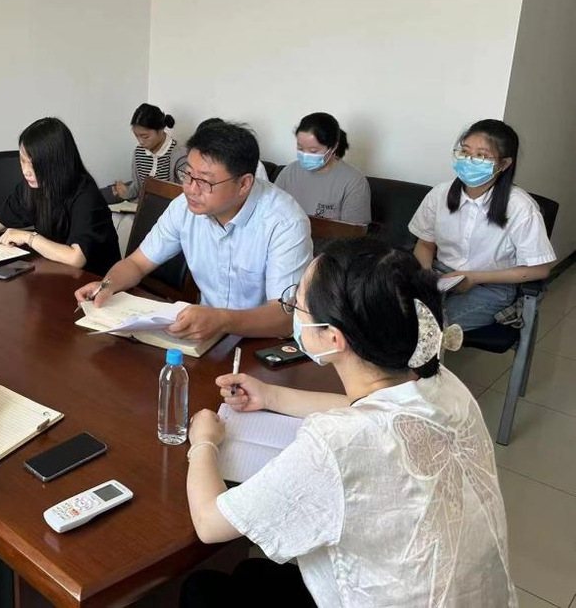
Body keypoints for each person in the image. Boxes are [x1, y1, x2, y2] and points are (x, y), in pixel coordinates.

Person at [182, 238, 516, 607]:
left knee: (202, 589)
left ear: (333, 338)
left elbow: (210, 524)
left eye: (297, 305)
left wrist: (204, 442)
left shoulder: (338, 443)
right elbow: (378, 412)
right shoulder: (441, 383)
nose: (293, 312)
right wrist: (270, 396)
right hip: (470, 595)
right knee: (253, 574)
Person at [75, 119, 312, 341]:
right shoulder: (183, 207)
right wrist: (107, 285)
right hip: (205, 337)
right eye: (187, 174)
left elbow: (285, 317)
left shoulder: (284, 222)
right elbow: (137, 263)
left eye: (204, 181)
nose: (190, 188)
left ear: (243, 184)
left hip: (263, 344)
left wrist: (223, 321)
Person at [410, 119, 555, 331]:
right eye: (465, 151)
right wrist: (426, 278)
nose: (469, 160)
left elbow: (540, 269)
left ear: (504, 164)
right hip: (441, 276)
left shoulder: (521, 207)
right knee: (388, 311)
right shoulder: (440, 194)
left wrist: (474, 278)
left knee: (428, 326)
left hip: (490, 286)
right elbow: (425, 244)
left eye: (481, 156)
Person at [0, 117, 121, 275]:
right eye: (22, 161)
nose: (26, 171)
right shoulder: (31, 187)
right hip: (54, 274)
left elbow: (76, 258)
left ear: (56, 164)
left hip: (94, 282)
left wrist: (28, 237)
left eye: (33, 164)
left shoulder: (86, 195)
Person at [274, 111, 371, 223]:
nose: (305, 155)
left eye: (313, 151)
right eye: (300, 148)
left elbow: (353, 231)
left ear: (333, 147)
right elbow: (271, 213)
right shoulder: (289, 172)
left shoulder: (354, 183)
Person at [109, 103, 188, 201]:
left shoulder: (179, 155)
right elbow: (138, 189)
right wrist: (125, 192)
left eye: (145, 137)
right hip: (141, 206)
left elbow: (185, 194)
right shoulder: (139, 153)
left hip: (169, 208)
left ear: (160, 130)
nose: (140, 142)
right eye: (136, 136)